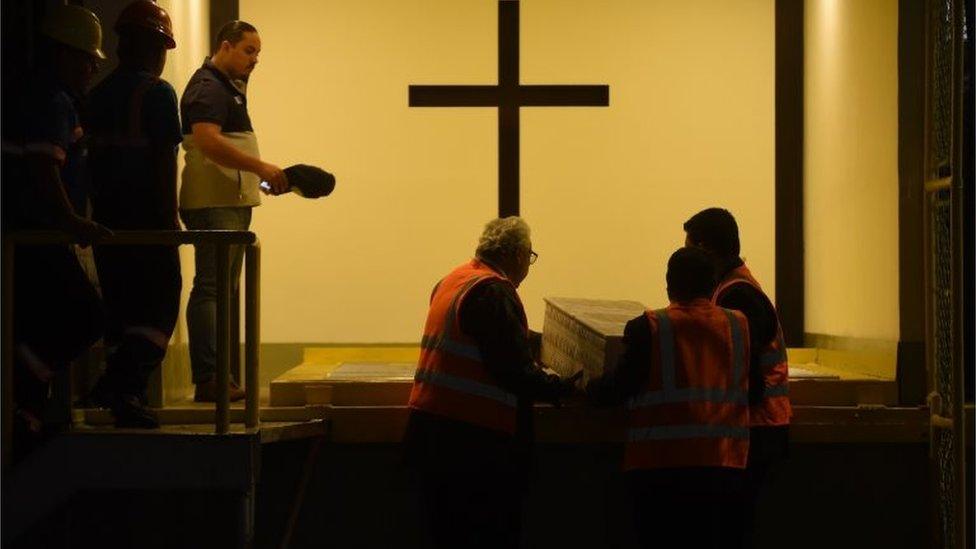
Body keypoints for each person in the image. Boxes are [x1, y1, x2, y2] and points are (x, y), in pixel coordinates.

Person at [403, 216, 576, 549]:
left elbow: (487, 339)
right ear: (516, 255)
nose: (529, 264)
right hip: (473, 447)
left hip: (431, 434)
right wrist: (563, 388)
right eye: (530, 256)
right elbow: (512, 369)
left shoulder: (455, 280)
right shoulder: (494, 292)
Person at [587, 247, 752, 549]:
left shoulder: (650, 327)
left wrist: (584, 388)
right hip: (725, 466)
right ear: (713, 285)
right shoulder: (738, 325)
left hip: (661, 469)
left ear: (669, 283)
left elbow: (619, 387)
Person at [1, 4, 110, 444]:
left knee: (42, 319)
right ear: (63, 54)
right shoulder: (53, 102)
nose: (90, 69)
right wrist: (71, 222)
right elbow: (44, 168)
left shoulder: (29, 95)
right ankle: (22, 395)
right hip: (35, 231)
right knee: (85, 315)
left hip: (25, 229)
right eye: (86, 59)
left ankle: (25, 405)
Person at [178, 20, 288, 402]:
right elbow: (208, 143)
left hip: (228, 200)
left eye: (258, 53)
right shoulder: (208, 87)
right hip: (215, 205)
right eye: (248, 50)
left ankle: (217, 375)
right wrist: (260, 169)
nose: (255, 60)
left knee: (220, 290)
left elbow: (225, 150)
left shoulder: (228, 88)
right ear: (225, 46)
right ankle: (209, 378)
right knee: (211, 289)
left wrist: (256, 181)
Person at [85, 0, 183, 428]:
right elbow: (163, 162)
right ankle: (124, 387)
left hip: (107, 224)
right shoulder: (157, 94)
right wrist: (170, 222)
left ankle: (122, 391)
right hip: (148, 224)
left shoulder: (96, 95)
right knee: (159, 308)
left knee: (120, 312)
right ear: (154, 47)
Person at [684, 207, 792, 547]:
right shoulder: (732, 289)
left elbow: (743, 369)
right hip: (757, 426)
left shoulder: (737, 295)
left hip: (757, 427)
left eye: (689, 249)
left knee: (735, 526)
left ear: (706, 250)